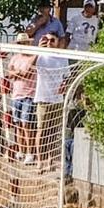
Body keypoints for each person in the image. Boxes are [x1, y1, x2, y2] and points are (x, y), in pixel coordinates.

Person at [33, 32, 73, 165]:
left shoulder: (62, 57)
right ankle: (39, 160)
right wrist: (38, 49)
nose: (49, 43)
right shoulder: (40, 55)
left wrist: (64, 86)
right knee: (41, 130)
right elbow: (28, 67)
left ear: (57, 42)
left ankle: (50, 160)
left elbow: (67, 77)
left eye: (52, 40)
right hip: (43, 97)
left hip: (57, 99)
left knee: (53, 131)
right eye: (46, 40)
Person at [3, 44, 39, 164]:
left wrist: (17, 73)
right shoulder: (15, 57)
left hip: (29, 95)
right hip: (16, 94)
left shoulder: (33, 57)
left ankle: (30, 153)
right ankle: (21, 150)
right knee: (18, 124)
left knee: (26, 124)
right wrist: (18, 72)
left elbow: (27, 73)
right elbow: (9, 74)